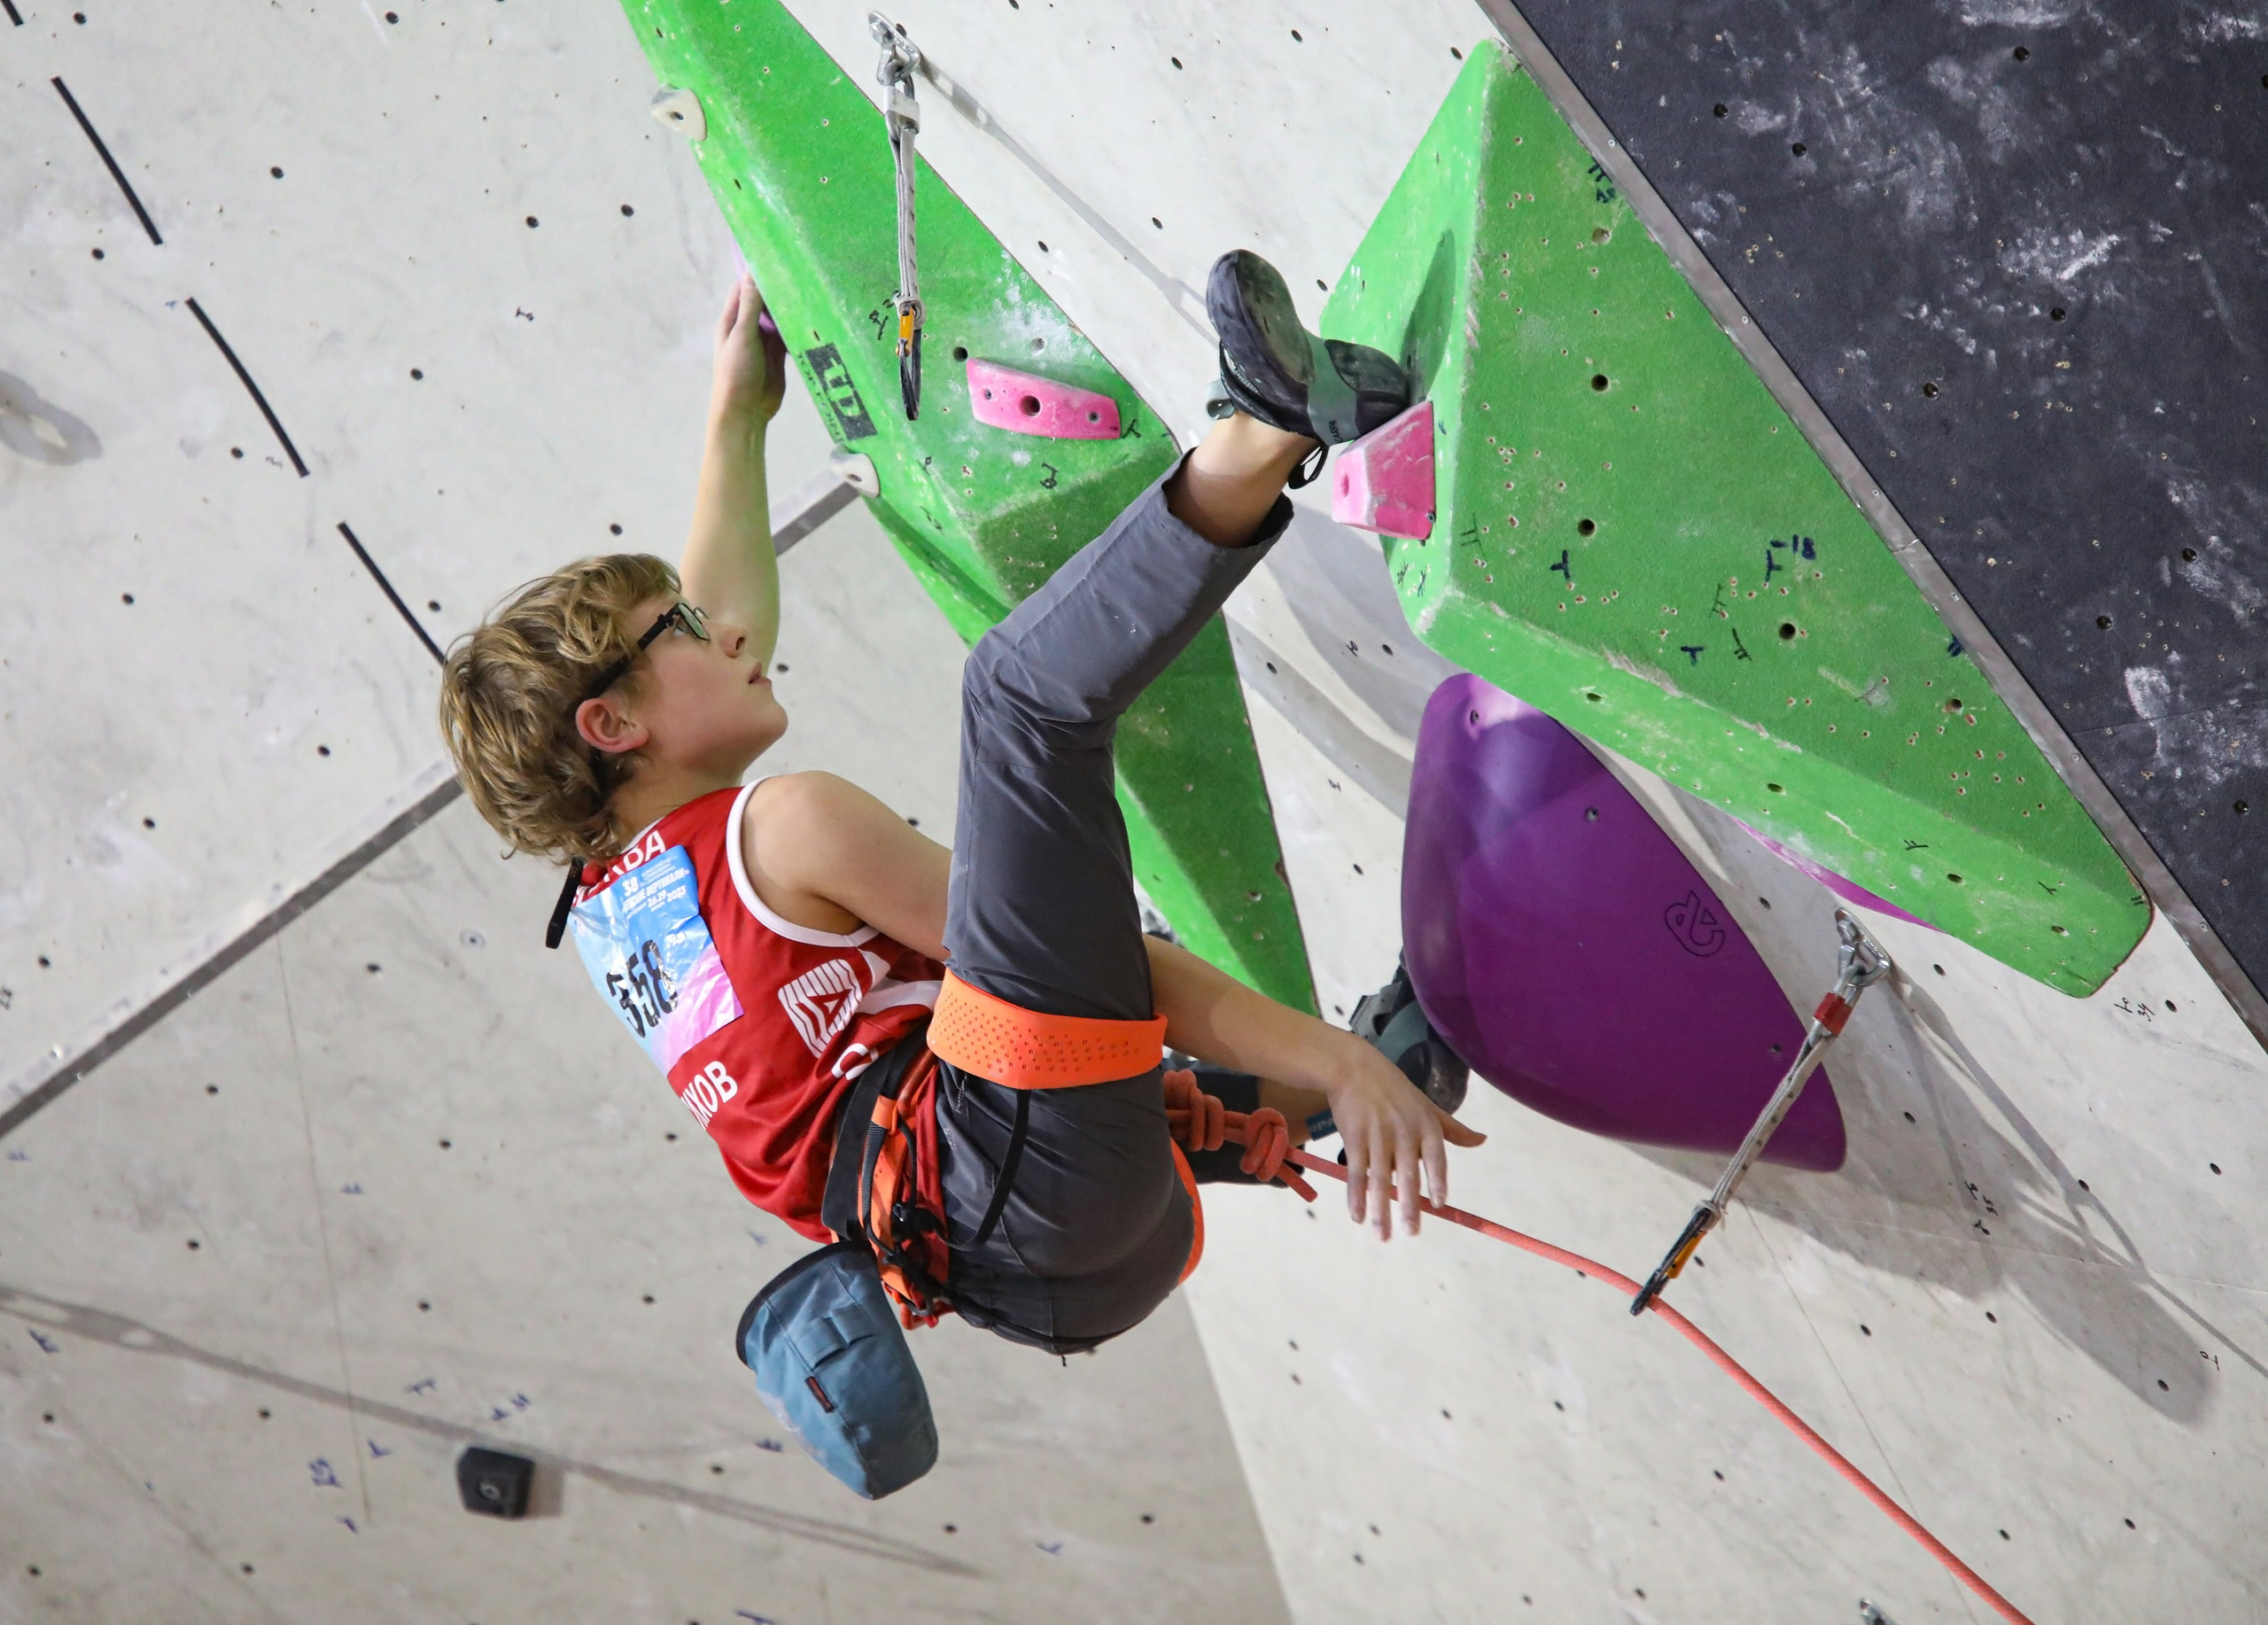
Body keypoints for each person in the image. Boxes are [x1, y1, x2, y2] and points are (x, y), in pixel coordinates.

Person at [439, 249, 1484, 1361]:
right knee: (1020, 702)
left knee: (1025, 997)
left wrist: (736, 414)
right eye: (686, 634)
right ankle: (1268, 426)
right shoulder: (787, 827)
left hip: (1031, 1275)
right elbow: (1096, 978)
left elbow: (703, 620)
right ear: (612, 726)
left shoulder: (618, 914)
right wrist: (1334, 1057)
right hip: (1027, 1168)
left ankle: (1367, 1078)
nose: (728, 632)